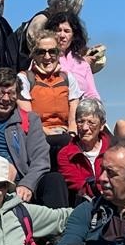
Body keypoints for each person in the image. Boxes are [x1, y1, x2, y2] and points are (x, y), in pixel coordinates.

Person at [0, 68, 69, 208]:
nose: (5, 99)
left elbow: (41, 160)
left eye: (11, 93)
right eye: (0, 92)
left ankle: (60, 226)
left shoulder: (30, 120)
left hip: (18, 184)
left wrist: (27, 184)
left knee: (54, 180)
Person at [18, 31, 81, 159]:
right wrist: (49, 133)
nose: (47, 57)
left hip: (65, 133)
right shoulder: (24, 79)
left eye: (52, 51)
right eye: (41, 52)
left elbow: (74, 113)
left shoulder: (67, 78)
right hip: (38, 137)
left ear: (58, 54)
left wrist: (72, 132)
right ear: (34, 55)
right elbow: (28, 117)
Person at [57, 98, 112, 202]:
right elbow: (79, 185)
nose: (85, 127)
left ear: (102, 125)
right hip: (84, 203)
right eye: (80, 122)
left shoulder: (114, 149)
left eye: (91, 122)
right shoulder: (65, 154)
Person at [43, 8, 101, 101]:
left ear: (74, 36)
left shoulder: (83, 64)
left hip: (82, 111)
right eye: (58, 30)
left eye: (66, 31)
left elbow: (92, 93)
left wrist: (98, 109)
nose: (62, 35)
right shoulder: (44, 59)